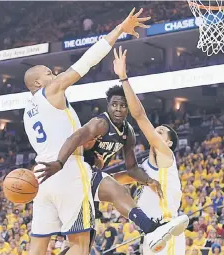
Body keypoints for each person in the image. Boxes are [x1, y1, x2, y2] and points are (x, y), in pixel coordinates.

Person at [23, 8, 150, 255]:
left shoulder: (28, 111)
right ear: (38, 83)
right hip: (67, 170)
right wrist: (119, 30)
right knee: (80, 245)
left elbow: (54, 140)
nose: (55, 74)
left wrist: (89, 150)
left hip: (41, 176)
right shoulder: (51, 91)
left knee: (37, 245)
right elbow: (87, 61)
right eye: (49, 73)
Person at [35, 68, 189, 253]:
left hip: (87, 179)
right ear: (108, 106)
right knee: (118, 191)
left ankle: (151, 228)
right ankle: (151, 228)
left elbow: (131, 168)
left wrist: (147, 180)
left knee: (84, 244)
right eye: (114, 104)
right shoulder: (100, 123)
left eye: (123, 105)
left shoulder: (128, 133)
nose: (118, 108)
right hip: (72, 173)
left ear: (127, 109)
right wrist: (59, 163)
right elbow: (74, 138)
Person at [111, 46, 189, 254]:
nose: (157, 131)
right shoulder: (145, 167)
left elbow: (140, 117)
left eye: (162, 132)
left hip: (168, 229)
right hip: (152, 234)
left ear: (169, 143)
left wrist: (123, 78)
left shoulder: (166, 156)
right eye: (158, 129)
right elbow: (122, 179)